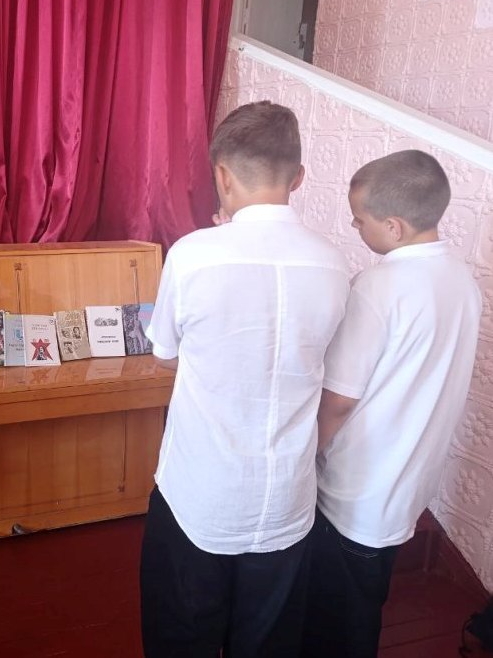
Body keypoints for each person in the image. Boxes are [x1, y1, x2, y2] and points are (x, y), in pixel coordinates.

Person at [141, 101, 351, 656]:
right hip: (288, 497)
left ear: (222, 175)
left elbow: (165, 353)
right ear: (298, 177)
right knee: (269, 642)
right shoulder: (334, 263)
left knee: (181, 637)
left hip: (200, 494)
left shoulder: (192, 255)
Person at [301, 151, 481, 657]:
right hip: (408, 478)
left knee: (337, 620)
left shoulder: (378, 287)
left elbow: (339, 398)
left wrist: (307, 454)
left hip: (354, 490)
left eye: (359, 219)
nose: (354, 226)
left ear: (394, 227)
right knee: (365, 598)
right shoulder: (463, 281)